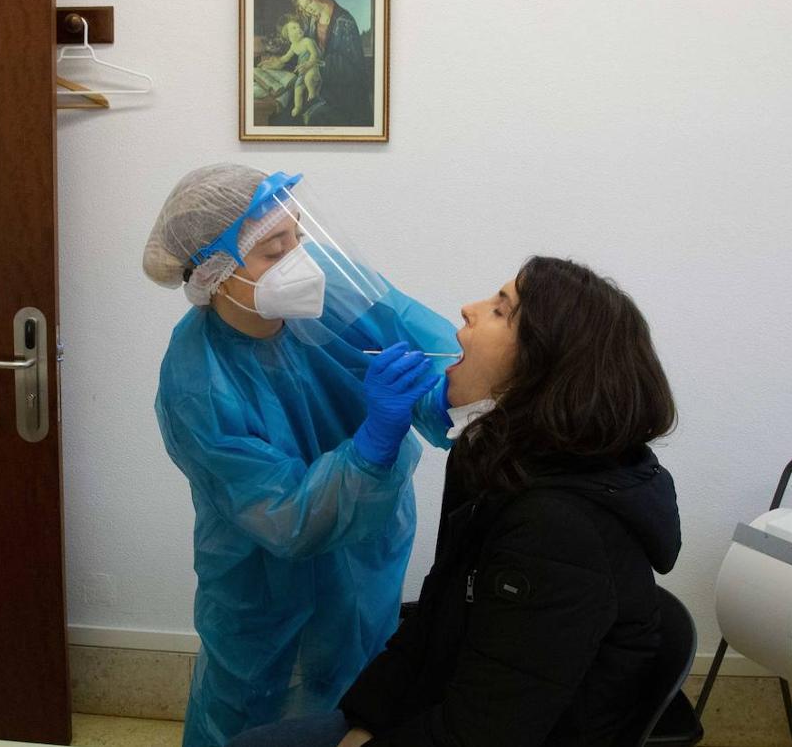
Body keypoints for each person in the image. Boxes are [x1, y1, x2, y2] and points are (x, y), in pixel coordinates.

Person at [228, 256, 681, 747]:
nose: (468, 310)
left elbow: (486, 731)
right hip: (449, 706)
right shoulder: (494, 459)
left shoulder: (559, 529)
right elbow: (435, 617)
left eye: (501, 311)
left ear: (542, 363)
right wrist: (364, 722)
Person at [142, 163, 460, 747]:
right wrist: (373, 443)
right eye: (272, 249)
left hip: (365, 555)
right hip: (262, 582)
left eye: (298, 235)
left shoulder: (333, 295)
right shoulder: (197, 381)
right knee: (250, 710)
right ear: (215, 273)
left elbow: (429, 347)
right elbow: (286, 515)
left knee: (360, 692)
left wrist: (459, 400)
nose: (298, 260)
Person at [291, 0, 372, 126]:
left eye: (309, 2)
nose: (308, 9)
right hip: (323, 87)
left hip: (346, 95)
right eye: (304, 7)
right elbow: (307, 49)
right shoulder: (313, 22)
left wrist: (318, 65)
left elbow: (352, 66)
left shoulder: (344, 22)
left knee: (313, 118)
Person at [260, 15, 323, 118]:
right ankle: (298, 107)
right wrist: (270, 64)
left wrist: (307, 65)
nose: (298, 29)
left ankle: (313, 96)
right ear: (288, 35)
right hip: (302, 70)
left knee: (308, 79)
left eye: (299, 27)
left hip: (313, 66)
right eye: (294, 28)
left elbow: (315, 55)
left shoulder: (307, 41)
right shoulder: (293, 46)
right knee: (297, 88)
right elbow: (285, 58)